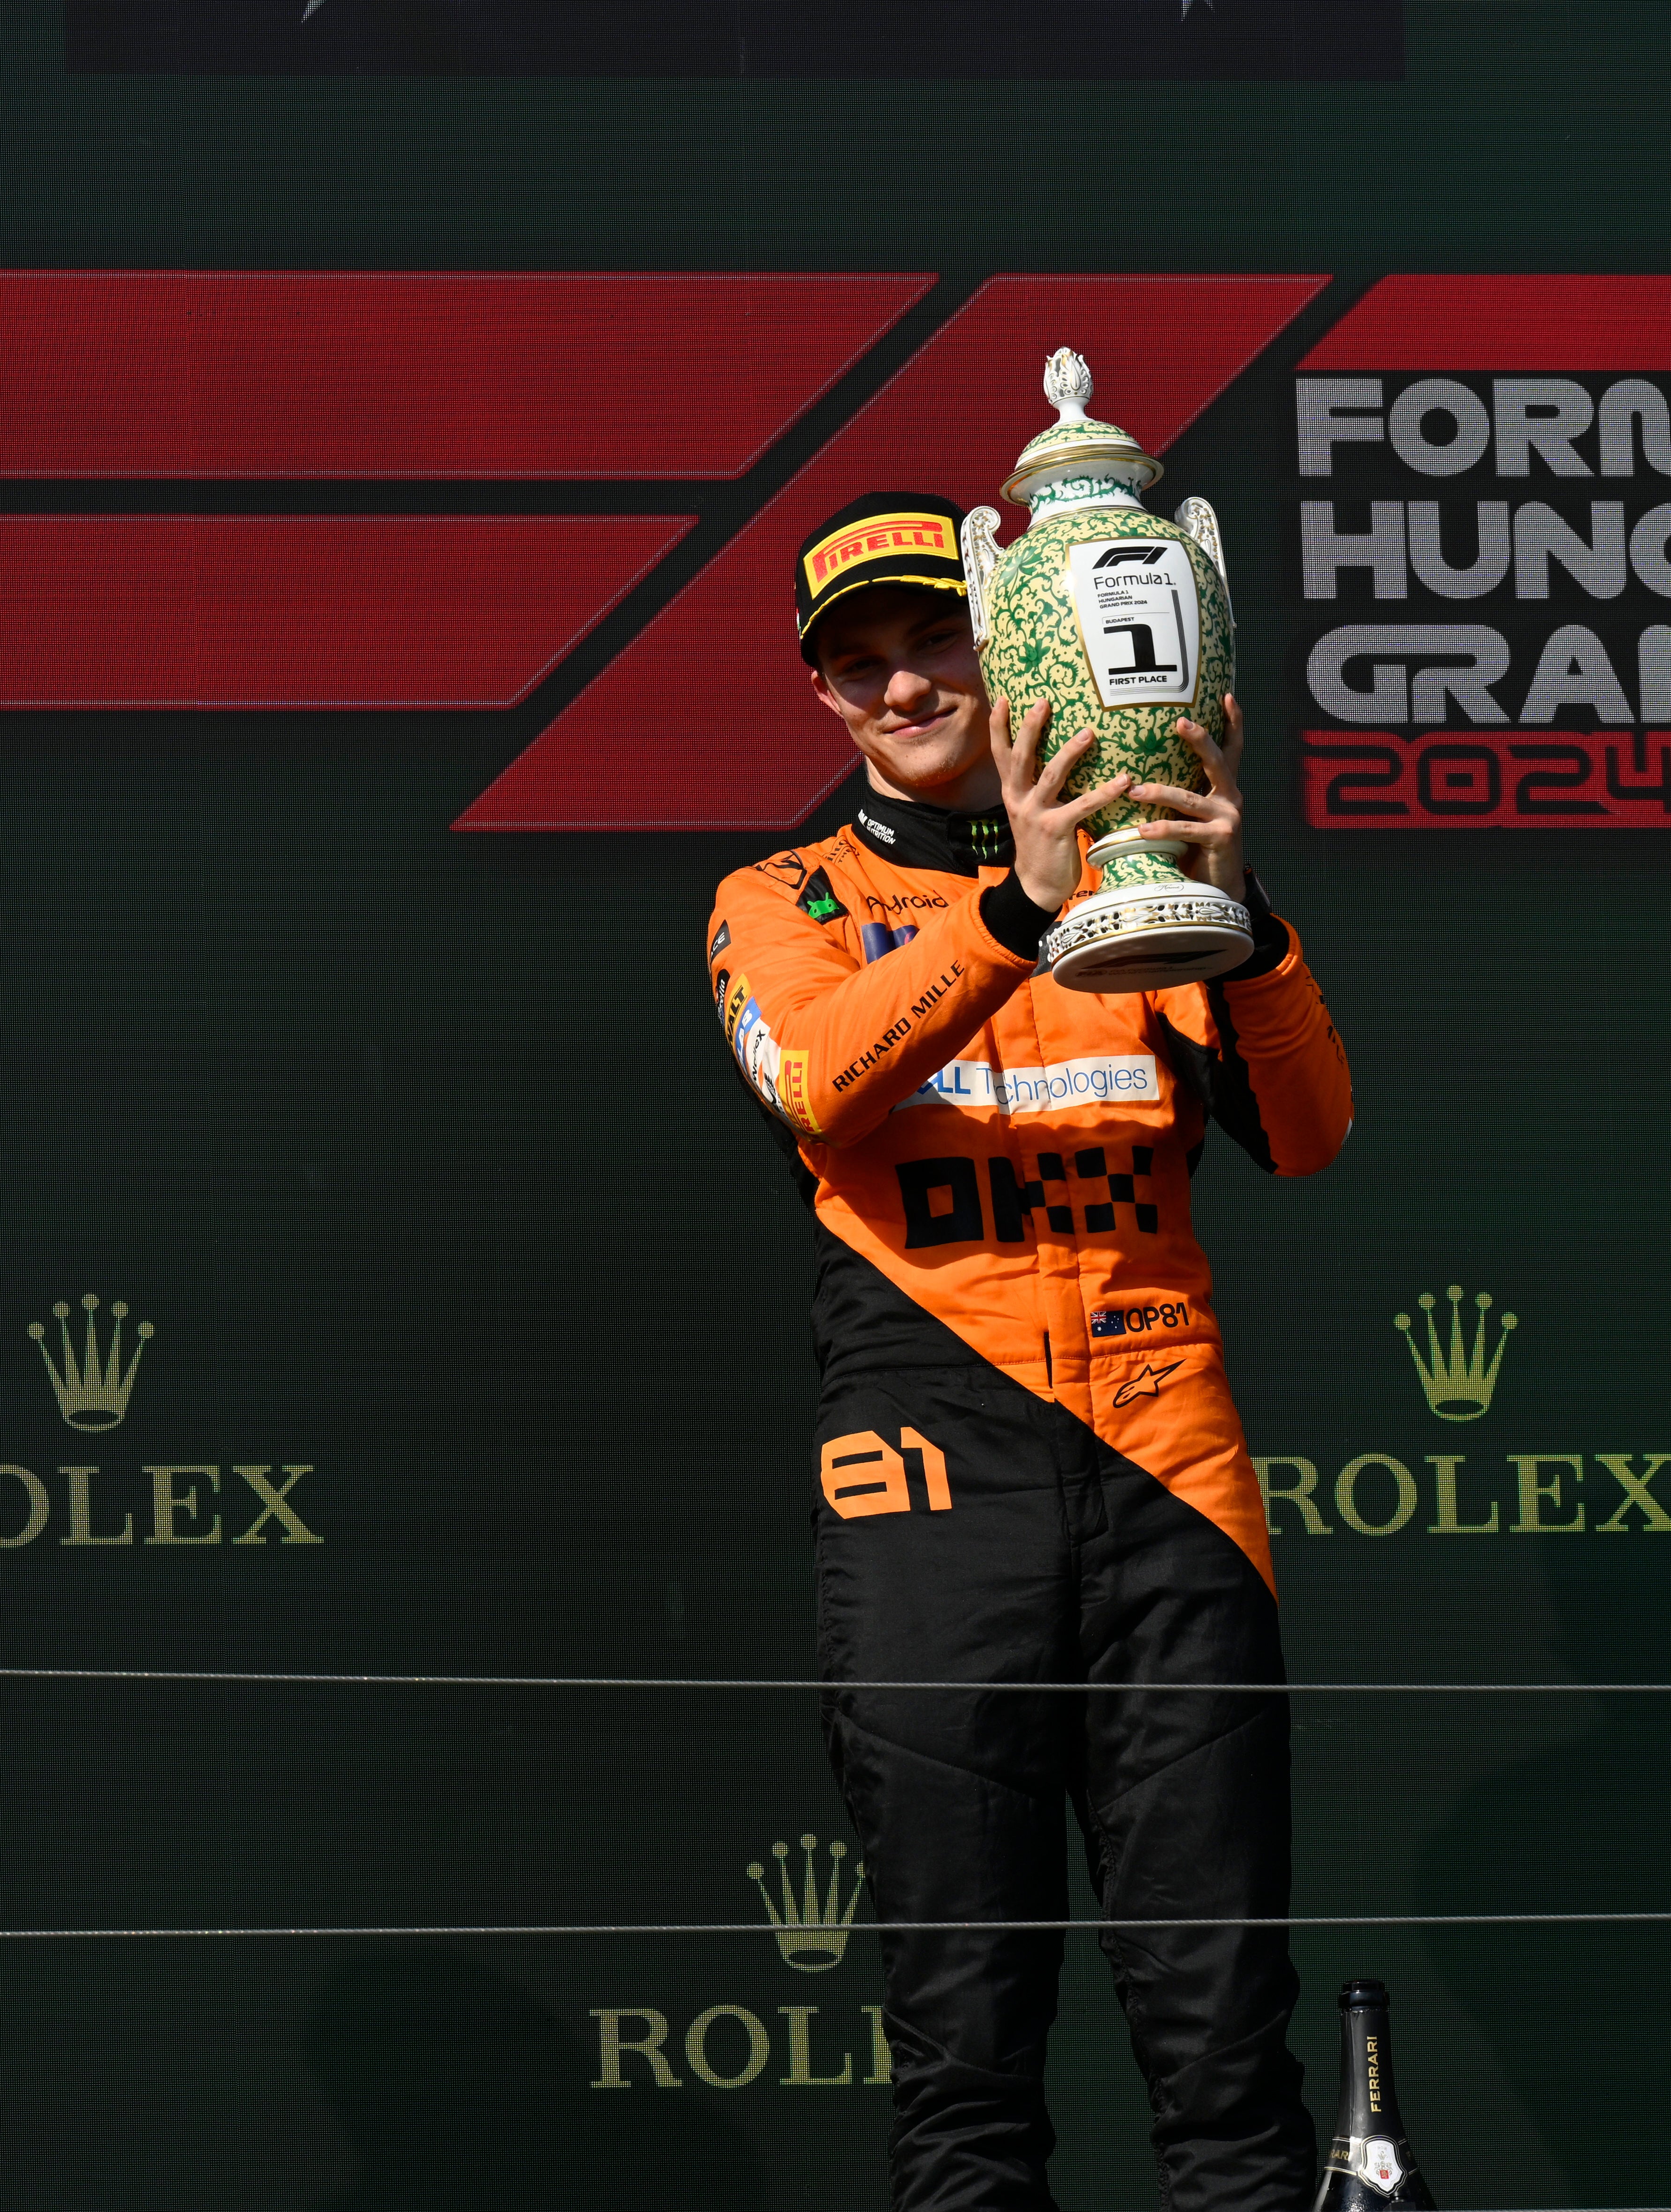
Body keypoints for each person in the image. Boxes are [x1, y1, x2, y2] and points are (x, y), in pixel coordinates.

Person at [706, 494, 1355, 2210]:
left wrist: (1248, 915)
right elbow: (810, 1078)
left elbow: (1308, 1133)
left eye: (934, 646)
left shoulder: (1151, 876)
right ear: (824, 699)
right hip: (935, 1494)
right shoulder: (777, 898)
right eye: (860, 668)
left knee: (1230, 2063)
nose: (904, 688)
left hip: (1174, 1484)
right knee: (967, 2069)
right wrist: (1015, 917)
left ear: (1012, 659)